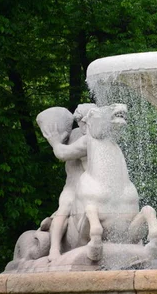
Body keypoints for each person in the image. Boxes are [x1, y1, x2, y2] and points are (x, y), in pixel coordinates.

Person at [41, 103, 96, 260]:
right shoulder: (77, 136)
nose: (84, 126)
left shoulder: (92, 138)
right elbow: (62, 153)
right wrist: (55, 141)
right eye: (81, 122)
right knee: (64, 208)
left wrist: (55, 142)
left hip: (89, 186)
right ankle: (54, 249)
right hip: (73, 186)